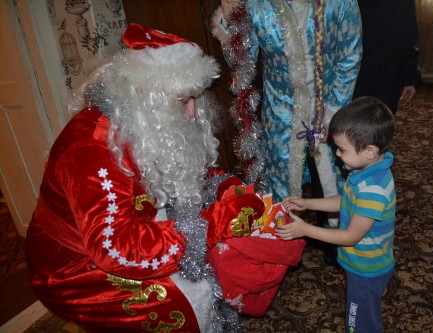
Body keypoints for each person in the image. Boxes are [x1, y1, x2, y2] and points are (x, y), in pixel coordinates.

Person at [25, 23, 258, 333]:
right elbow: (116, 250)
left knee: (211, 262)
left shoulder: (146, 121)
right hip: (73, 266)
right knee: (182, 299)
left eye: (194, 99)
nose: (191, 113)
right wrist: (213, 223)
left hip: (136, 216)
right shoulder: (92, 150)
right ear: (143, 96)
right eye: (181, 101)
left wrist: (222, 185)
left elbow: (183, 168)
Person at [212, 0, 362, 266]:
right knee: (281, 178)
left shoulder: (340, 2)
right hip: (281, 110)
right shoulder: (259, 5)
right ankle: (284, 247)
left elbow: (349, 54)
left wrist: (333, 110)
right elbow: (242, 63)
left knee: (330, 175)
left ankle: (336, 243)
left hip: (328, 105)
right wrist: (228, 19)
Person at [276, 96, 396, 333]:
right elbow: (346, 201)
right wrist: (307, 203)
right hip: (366, 264)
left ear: (370, 151)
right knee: (367, 312)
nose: (338, 155)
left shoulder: (374, 189)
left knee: (359, 323)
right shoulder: (364, 172)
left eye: (342, 149)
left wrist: (305, 230)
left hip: (366, 268)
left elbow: (351, 236)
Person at [353, 0, 422, 113]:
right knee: (353, 121)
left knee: (382, 121)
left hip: (387, 74)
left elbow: (408, 38)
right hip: (354, 73)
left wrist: (409, 79)